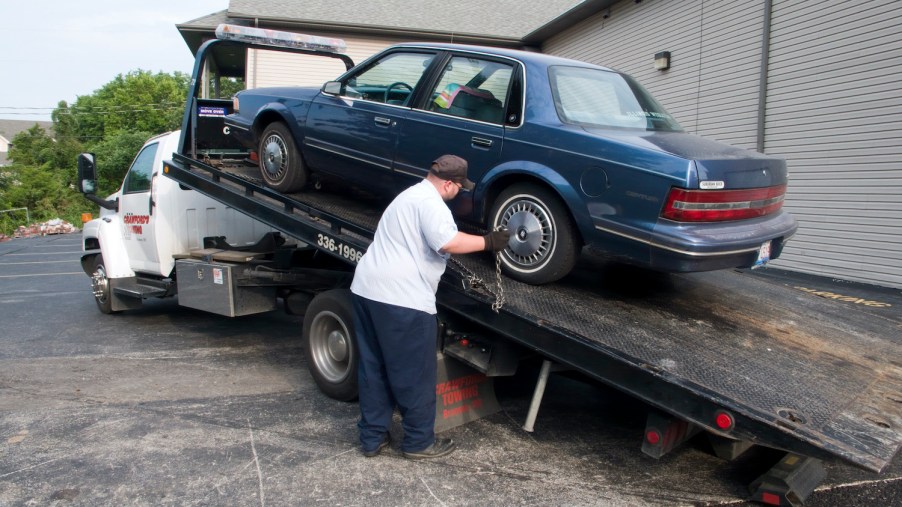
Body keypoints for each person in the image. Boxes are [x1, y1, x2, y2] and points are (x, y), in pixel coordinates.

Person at [350, 154, 510, 459]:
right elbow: (447, 242)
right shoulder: (431, 204)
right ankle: (419, 442)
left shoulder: (410, 195)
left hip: (366, 290)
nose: (461, 194)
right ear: (448, 183)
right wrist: (490, 242)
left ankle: (371, 438)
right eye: (460, 188)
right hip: (401, 299)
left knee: (374, 367)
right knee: (414, 372)